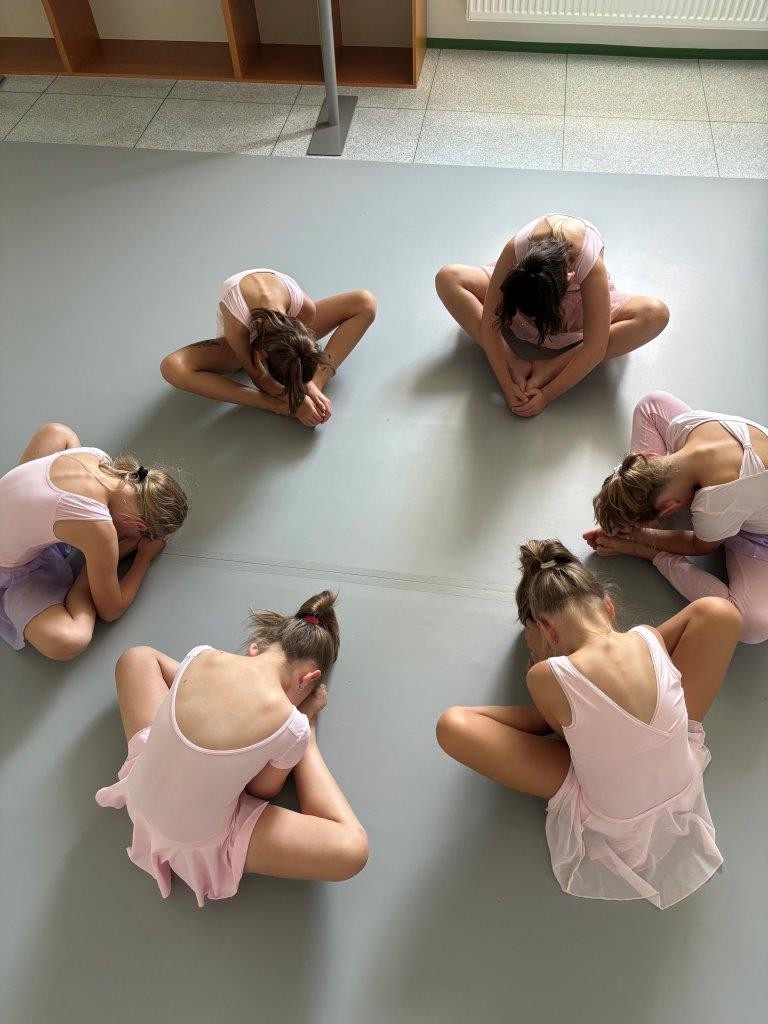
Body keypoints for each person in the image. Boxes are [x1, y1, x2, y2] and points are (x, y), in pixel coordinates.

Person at [436, 539, 741, 908]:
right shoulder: (649, 637)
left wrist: (545, 669)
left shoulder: (546, 675)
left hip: (613, 816)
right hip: (681, 783)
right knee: (718, 612)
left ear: (548, 631)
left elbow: (559, 736)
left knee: (452, 725)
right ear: (609, 607)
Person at [96, 590, 368, 906]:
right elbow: (260, 790)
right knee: (352, 849)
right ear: (308, 679)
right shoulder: (290, 725)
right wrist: (305, 724)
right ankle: (310, 741)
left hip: (140, 793)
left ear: (255, 648)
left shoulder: (201, 655)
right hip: (193, 841)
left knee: (137, 657)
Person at [435, 214, 668, 418]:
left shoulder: (589, 264)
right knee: (448, 277)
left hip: (574, 305)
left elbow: (595, 348)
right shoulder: (516, 249)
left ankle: (548, 366)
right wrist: (507, 379)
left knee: (655, 314)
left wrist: (546, 393)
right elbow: (490, 322)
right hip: (524, 293)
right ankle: (515, 360)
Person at [586, 390, 768, 644]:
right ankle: (645, 506)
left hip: (757, 534)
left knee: (749, 624)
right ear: (649, 460)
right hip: (740, 492)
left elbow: (699, 546)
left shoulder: (713, 503)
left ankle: (655, 555)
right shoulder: (684, 426)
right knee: (652, 404)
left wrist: (641, 538)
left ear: (668, 508)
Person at [0, 422, 187, 660]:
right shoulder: (98, 528)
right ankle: (81, 582)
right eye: (137, 535)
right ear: (139, 526)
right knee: (71, 640)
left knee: (59, 433)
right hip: (11, 570)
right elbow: (111, 609)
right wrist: (143, 557)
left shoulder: (98, 458)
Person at [160, 268, 376, 427]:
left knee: (364, 302)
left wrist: (310, 387)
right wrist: (292, 401)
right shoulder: (238, 329)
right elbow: (258, 376)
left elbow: (301, 348)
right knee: (172, 367)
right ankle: (275, 406)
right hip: (243, 344)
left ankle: (316, 381)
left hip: (284, 327)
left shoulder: (304, 309)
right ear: (264, 355)